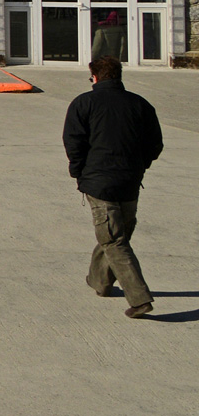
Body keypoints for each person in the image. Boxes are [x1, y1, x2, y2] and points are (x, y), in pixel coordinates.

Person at [63, 56, 162, 319]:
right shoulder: (140, 104)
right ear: (118, 76)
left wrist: (79, 173)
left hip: (99, 182)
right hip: (130, 182)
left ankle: (140, 299)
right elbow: (155, 144)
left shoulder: (84, 103)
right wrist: (140, 166)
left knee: (113, 239)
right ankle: (101, 282)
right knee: (116, 235)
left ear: (94, 77)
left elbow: (74, 143)